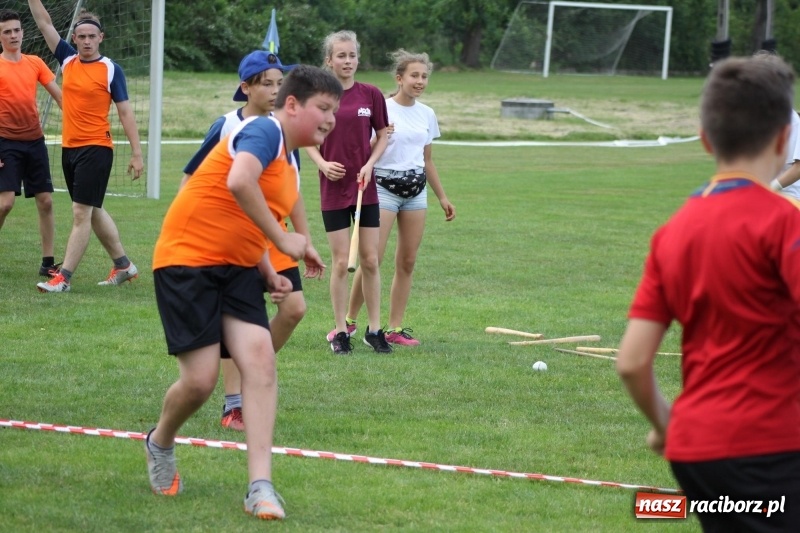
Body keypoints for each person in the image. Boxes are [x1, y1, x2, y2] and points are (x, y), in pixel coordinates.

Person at [145, 65, 342, 520]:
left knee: (260, 362)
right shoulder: (262, 132)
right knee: (200, 381)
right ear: (291, 105)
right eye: (324, 109)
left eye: (334, 110)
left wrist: (268, 266)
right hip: (186, 260)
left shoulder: (290, 156)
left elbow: (237, 213)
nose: (330, 119)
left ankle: (261, 487)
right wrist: (285, 238)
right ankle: (160, 441)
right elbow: (237, 182)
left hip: (237, 269)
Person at [617, 55, 800, 532]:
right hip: (774, 451)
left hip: (698, 454)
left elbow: (633, 362)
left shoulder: (672, 233)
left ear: (704, 138)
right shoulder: (785, 223)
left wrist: (664, 425)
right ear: (784, 139)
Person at [182, 50, 326, 431]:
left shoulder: (286, 132)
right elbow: (194, 177)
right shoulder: (228, 126)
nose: (277, 90)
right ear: (245, 88)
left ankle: (255, 371)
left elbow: (292, 191)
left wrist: (304, 238)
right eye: (268, 83)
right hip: (235, 235)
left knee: (294, 309)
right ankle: (235, 403)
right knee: (236, 317)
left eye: (281, 83)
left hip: (274, 235)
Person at [28, 0, 143, 293]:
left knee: (81, 212)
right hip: (70, 149)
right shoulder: (67, 60)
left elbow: (125, 112)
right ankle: (123, 265)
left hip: (97, 148)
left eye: (93, 36)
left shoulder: (111, 69)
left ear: (101, 38)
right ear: (75, 39)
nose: (88, 41)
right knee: (92, 209)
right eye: (82, 37)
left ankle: (63, 277)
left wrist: (137, 153)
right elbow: (44, 24)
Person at [346, 49, 455, 346]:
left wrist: (442, 197)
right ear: (399, 78)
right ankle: (350, 322)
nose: (420, 81)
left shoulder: (427, 114)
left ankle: (394, 329)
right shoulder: (382, 107)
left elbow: (427, 159)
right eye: (414, 76)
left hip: (416, 192)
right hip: (383, 189)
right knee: (372, 259)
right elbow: (365, 152)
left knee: (407, 261)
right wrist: (380, 136)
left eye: (424, 76)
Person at [305, 30, 392, 355]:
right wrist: (323, 163)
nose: (347, 61)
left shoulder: (371, 94)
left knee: (370, 260)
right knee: (341, 262)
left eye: (352, 55)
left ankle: (374, 329)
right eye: (340, 55)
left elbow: (383, 135)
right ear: (329, 60)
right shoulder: (318, 97)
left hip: (364, 189)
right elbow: (306, 139)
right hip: (333, 189)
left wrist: (370, 164)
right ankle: (341, 331)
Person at [0, 9, 62, 276]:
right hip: (6, 143)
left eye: (16, 30)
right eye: (7, 31)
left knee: (46, 201)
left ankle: (47, 264)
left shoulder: (35, 62)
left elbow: (61, 98)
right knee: (5, 204)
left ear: (23, 32)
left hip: (35, 142)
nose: (13, 35)